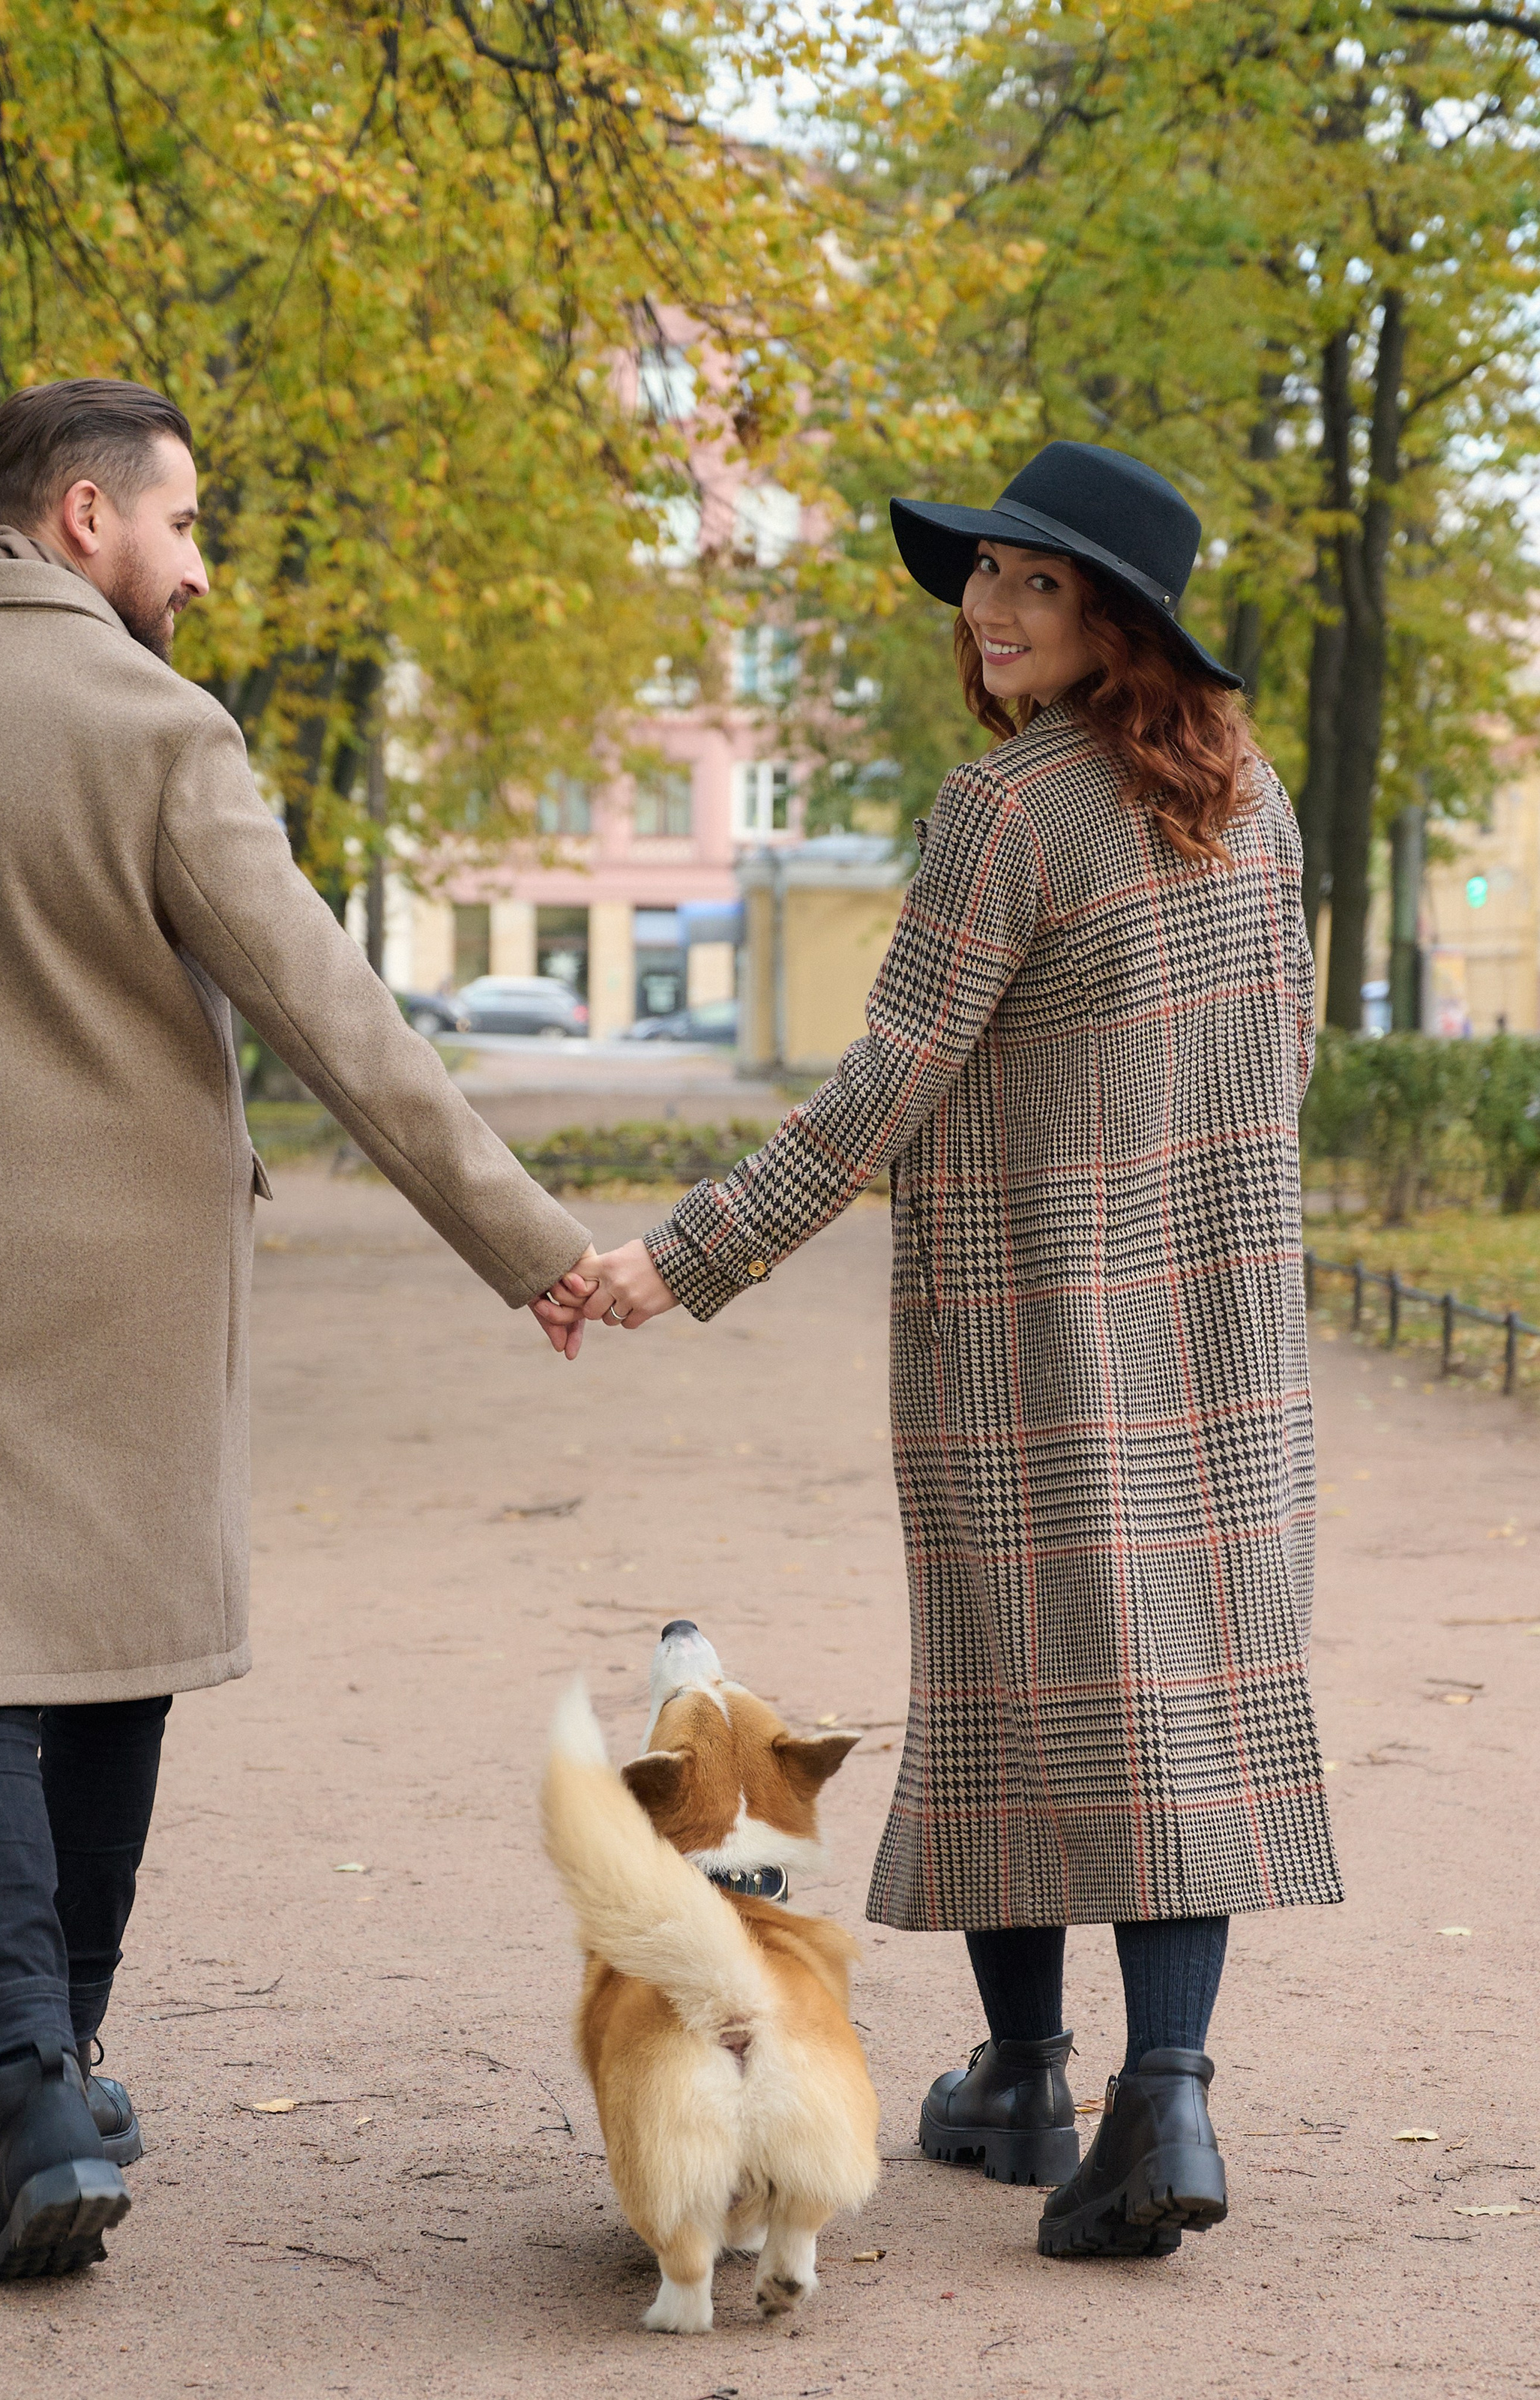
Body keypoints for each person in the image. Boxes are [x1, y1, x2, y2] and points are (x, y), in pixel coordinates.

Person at [0, 379, 594, 2283]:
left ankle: (34, 2084)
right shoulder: (153, 728)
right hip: (124, 1294)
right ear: (80, 517)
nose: (197, 569)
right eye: (182, 524)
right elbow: (335, 1019)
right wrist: (522, 1242)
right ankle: (63, 2065)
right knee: (108, 1666)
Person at [539, 442, 1342, 2260]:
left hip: (1030, 1330)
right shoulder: (1256, 802)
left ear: (1114, 619)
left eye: (1030, 583)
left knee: (1013, 1691)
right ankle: (1142, 2085)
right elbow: (1280, 1062)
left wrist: (680, 1258)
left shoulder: (1005, 815)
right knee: (1174, 1689)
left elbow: (885, 1085)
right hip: (1224, 1332)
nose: (983, 608)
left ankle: (1060, 2072)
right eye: (979, 574)